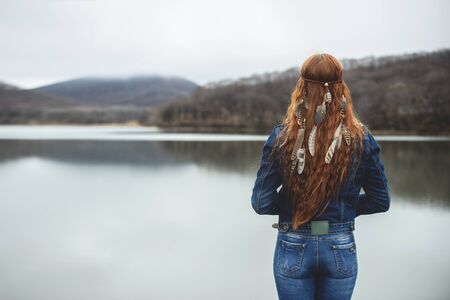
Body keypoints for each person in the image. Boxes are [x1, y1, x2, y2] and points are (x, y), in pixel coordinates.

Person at [250, 53, 391, 300]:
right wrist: (343, 209)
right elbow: (380, 200)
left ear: (301, 87)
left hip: (293, 243)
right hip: (340, 245)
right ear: (341, 88)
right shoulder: (362, 139)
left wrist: (296, 208)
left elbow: (261, 203)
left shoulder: (281, 137)